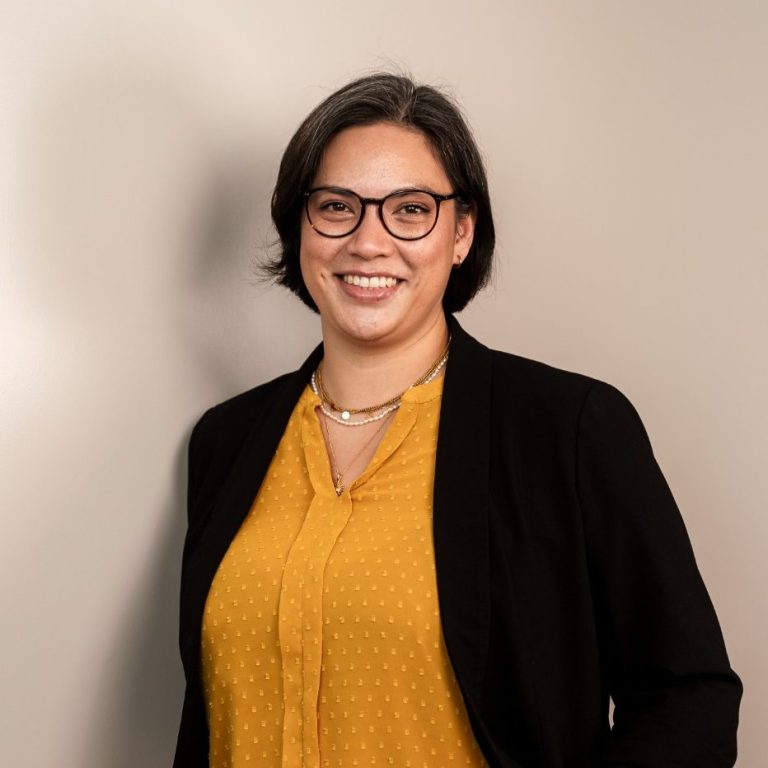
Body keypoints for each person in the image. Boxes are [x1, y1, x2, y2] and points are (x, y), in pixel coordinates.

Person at [174, 73, 742, 768]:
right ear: (300, 228)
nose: (369, 241)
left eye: (410, 210)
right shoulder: (227, 442)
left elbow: (690, 698)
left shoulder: (568, 430)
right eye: (336, 207)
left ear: (461, 233)